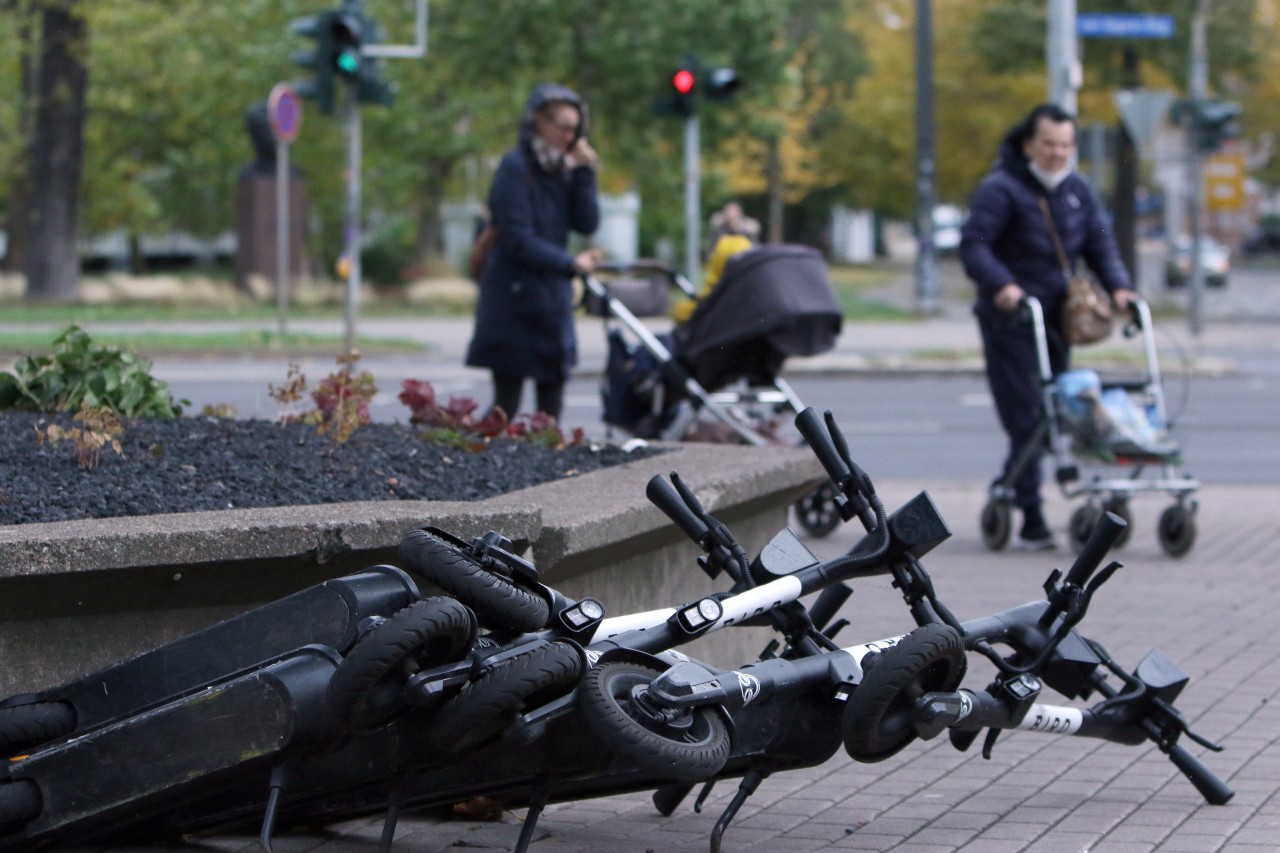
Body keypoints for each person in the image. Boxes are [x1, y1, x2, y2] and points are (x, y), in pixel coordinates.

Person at [959, 103, 1136, 550]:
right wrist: (1004, 287)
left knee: (1056, 410)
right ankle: (1030, 512)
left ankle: (1009, 489)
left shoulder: (1077, 190)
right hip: (1011, 320)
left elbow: (1101, 246)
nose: (1058, 153)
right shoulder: (1001, 189)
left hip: (1057, 322)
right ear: (1028, 145)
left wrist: (1120, 289)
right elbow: (974, 248)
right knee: (1029, 415)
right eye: (1049, 144)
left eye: (1065, 144)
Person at [465, 83, 601, 423]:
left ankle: (551, 470)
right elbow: (517, 239)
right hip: (513, 300)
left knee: (550, 407)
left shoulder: (562, 170)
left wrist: (584, 172)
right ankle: (478, 463)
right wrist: (569, 263)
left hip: (550, 301)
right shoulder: (515, 167)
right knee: (505, 405)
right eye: (564, 128)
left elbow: (586, 223)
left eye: (576, 130)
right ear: (539, 122)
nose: (570, 137)